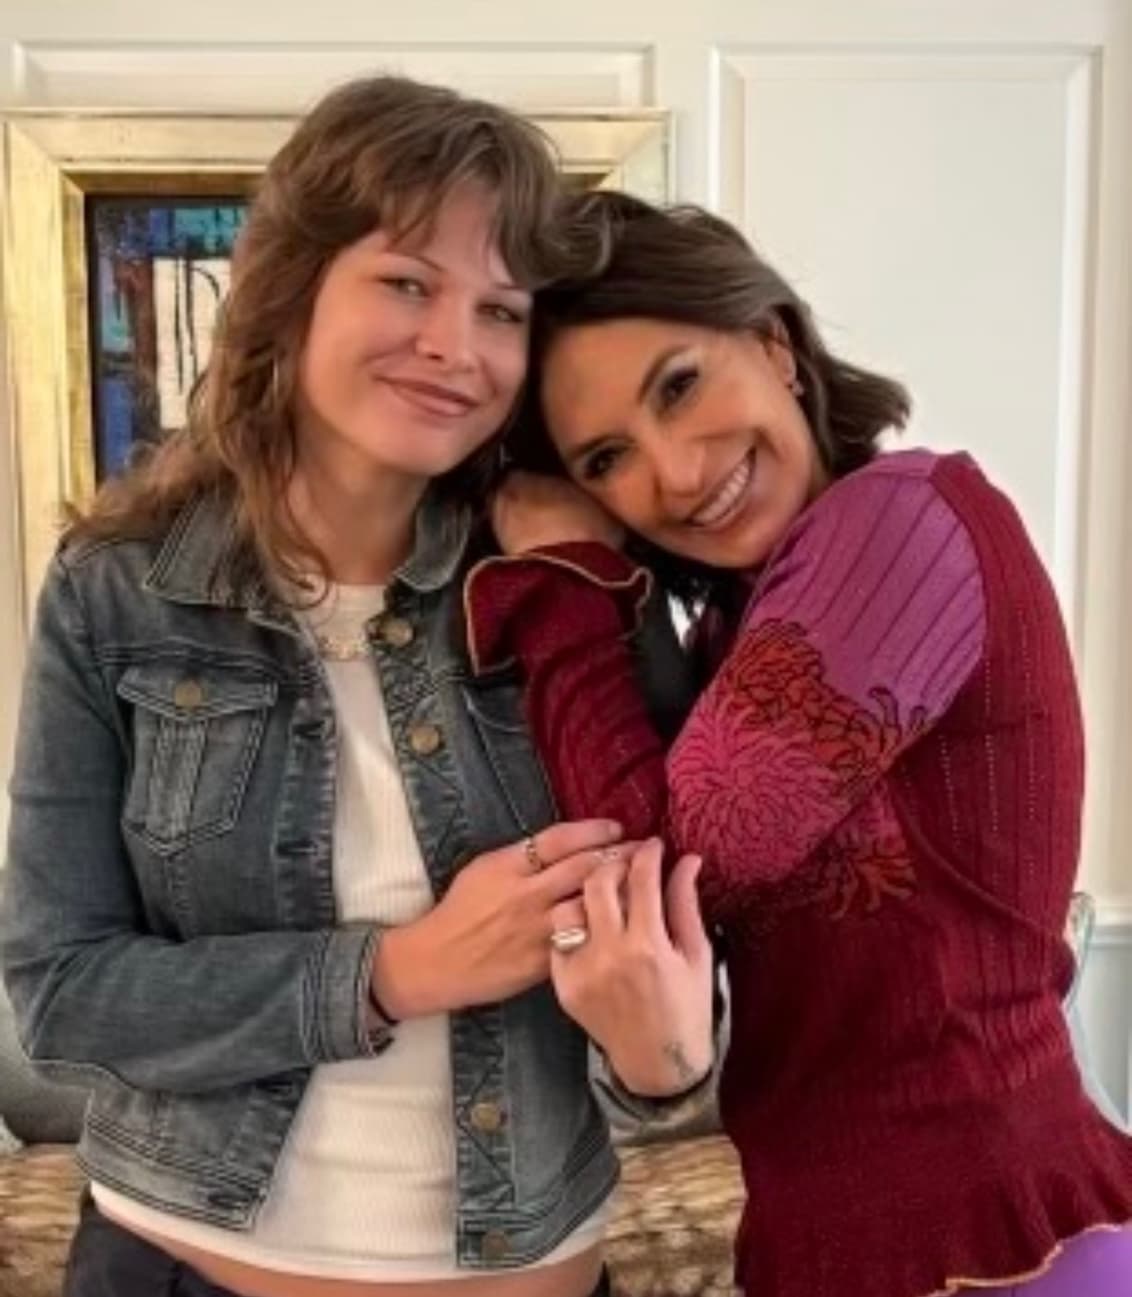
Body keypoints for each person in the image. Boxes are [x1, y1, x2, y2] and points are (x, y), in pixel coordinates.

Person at [0, 86, 715, 1297]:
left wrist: (666, 1062)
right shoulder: (114, 591)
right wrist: (397, 970)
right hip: (180, 1269)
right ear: (291, 289)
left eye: (500, 310)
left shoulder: (581, 585)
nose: (455, 345)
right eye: (407, 283)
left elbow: (693, 956)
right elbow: (62, 994)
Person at [465, 191, 1132, 1297]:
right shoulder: (737, 627)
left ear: (773, 344)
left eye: (679, 385)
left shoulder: (905, 519)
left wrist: (562, 582)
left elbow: (656, 863)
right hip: (843, 1240)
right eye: (607, 458)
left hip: (1003, 1240)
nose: (676, 474)